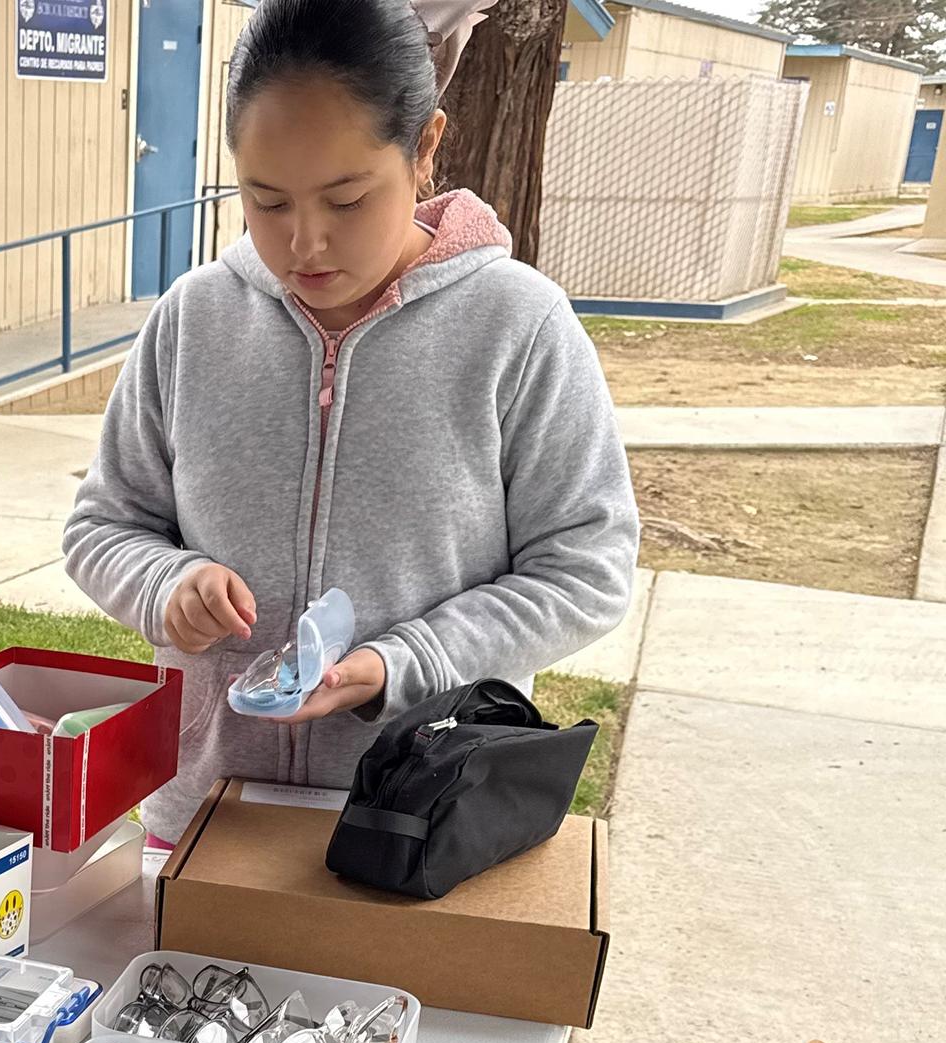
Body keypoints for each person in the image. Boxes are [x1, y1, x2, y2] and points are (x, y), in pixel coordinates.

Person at [63, 0, 640, 849]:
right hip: (203, 819)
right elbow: (104, 526)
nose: (304, 243)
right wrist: (162, 586)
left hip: (412, 823)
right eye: (265, 201)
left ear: (426, 147)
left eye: (346, 199)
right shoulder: (196, 318)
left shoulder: (517, 326)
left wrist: (400, 664)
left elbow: (584, 569)